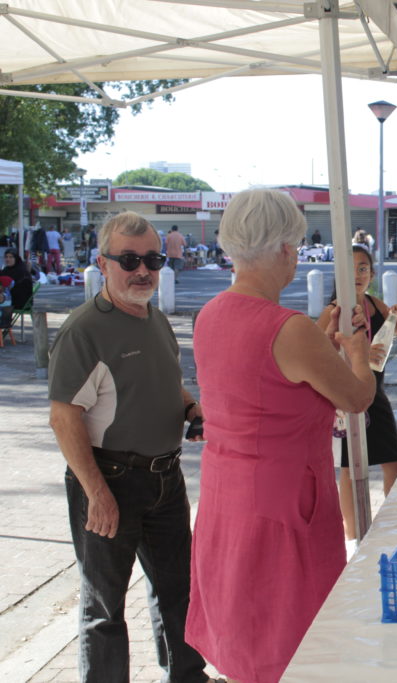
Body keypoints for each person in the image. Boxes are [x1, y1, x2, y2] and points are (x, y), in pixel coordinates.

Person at [186, 190, 376, 683]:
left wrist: (319, 337)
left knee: (242, 631)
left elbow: (267, 376)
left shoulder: (210, 315)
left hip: (227, 494)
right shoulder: (288, 328)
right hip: (285, 502)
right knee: (293, 640)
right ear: (287, 251)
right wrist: (358, 351)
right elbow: (356, 397)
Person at [47, 212, 216, 683]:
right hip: (109, 479)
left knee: (177, 591)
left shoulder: (156, 317)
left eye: (152, 259)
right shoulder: (84, 331)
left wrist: (189, 409)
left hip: (166, 478)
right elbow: (64, 418)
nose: (142, 269)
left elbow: (163, 382)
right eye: (129, 260)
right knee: (105, 606)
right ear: (103, 263)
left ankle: (187, 677)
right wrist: (96, 493)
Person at [318, 244, 397, 544]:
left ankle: (395, 525)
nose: (358, 274)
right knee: (350, 468)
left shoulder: (376, 304)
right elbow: (319, 350)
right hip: (347, 395)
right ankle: (353, 536)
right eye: (351, 268)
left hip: (376, 392)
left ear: (372, 274)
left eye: (363, 268)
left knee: (394, 461)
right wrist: (352, 349)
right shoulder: (333, 309)